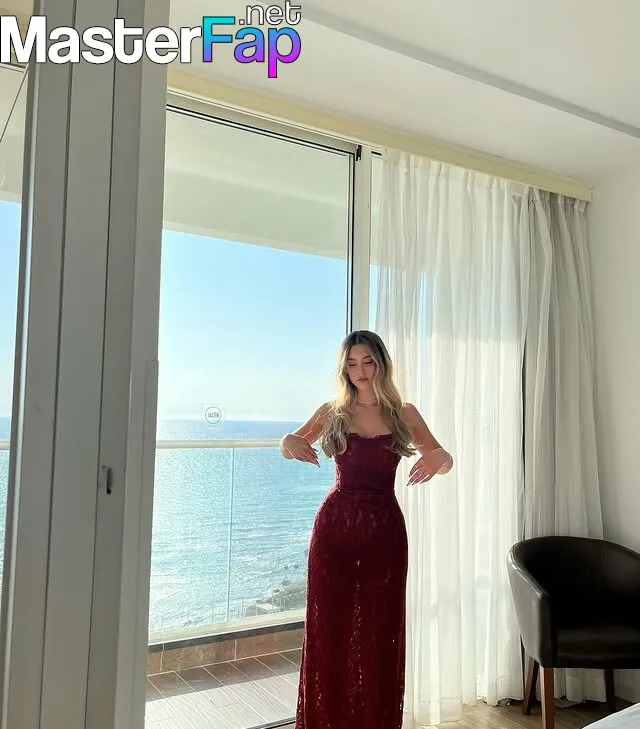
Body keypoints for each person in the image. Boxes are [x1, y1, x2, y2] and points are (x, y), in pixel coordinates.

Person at [279, 330, 453, 729]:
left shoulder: (404, 413)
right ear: (344, 368)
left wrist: (442, 455)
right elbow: (289, 446)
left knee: (380, 627)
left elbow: (442, 460)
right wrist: (288, 440)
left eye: (368, 361)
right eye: (352, 363)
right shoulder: (332, 412)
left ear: (381, 364)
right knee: (330, 626)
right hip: (334, 529)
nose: (360, 370)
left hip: (385, 532)